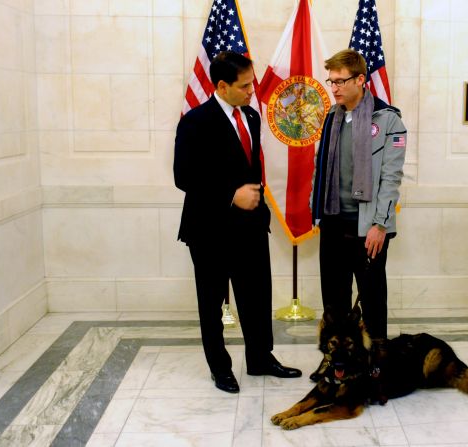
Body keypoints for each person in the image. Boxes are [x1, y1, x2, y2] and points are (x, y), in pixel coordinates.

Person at [174, 51, 301, 394]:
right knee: (212, 303)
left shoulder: (251, 117)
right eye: (244, 86)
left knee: (257, 297)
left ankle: (261, 358)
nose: (251, 91)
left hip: (250, 229)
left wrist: (257, 210)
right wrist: (231, 195)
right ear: (221, 85)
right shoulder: (195, 121)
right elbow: (184, 176)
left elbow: (250, 169)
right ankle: (221, 369)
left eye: (252, 83)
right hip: (209, 230)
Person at [310, 49, 406, 389]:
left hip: (369, 227)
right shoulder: (332, 118)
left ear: (361, 80)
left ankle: (377, 364)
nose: (334, 88)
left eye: (340, 81)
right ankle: (335, 360)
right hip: (334, 222)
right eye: (331, 81)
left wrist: (380, 224)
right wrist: (316, 211)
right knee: (334, 300)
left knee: (371, 297)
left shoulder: (389, 120)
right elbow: (321, 170)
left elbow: (391, 177)